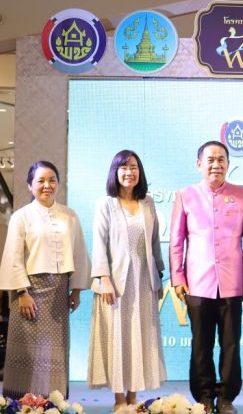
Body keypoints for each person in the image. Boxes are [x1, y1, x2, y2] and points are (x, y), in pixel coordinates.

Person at [170, 141, 243, 414]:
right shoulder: (185, 196)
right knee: (201, 344)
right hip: (197, 283)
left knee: (231, 344)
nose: (216, 165)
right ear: (199, 164)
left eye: (221, 159)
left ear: (228, 164)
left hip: (232, 282)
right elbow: (176, 241)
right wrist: (177, 277)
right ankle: (204, 397)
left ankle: (227, 397)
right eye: (210, 160)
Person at [0, 161, 90, 398]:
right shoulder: (21, 216)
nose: (47, 185)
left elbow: (79, 253)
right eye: (40, 181)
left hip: (59, 293)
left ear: (58, 184)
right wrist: (22, 292)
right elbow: (13, 256)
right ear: (30, 185)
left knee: (54, 354)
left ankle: (53, 404)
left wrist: (76, 290)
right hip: (28, 293)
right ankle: (21, 405)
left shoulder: (70, 216)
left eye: (52, 180)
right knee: (27, 353)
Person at [87, 150, 166, 409]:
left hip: (144, 281)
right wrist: (104, 279)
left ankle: (133, 398)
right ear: (115, 172)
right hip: (115, 284)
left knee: (138, 337)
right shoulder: (106, 204)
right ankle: (119, 400)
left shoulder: (148, 203)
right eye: (123, 167)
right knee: (118, 338)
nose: (129, 172)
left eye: (133, 167)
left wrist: (159, 275)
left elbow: (155, 244)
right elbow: (99, 244)